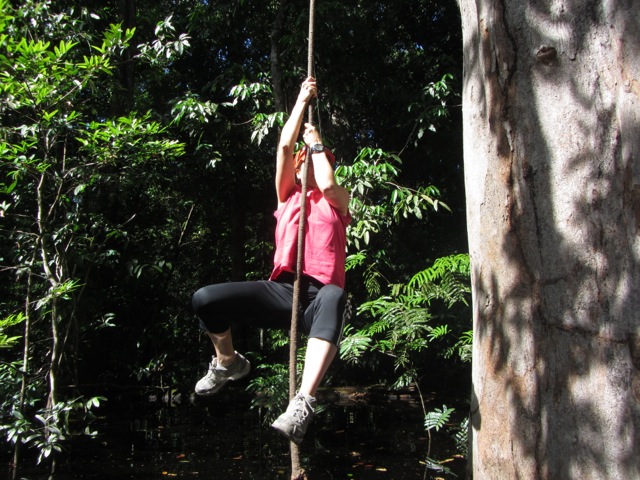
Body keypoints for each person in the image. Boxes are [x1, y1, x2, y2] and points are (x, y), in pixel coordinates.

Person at [191, 77, 351, 445]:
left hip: (320, 298)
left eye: (317, 162)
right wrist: (301, 100)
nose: (307, 166)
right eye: (302, 162)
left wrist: (317, 144)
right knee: (205, 299)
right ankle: (228, 362)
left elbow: (328, 185)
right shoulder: (287, 197)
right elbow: (283, 146)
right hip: (282, 292)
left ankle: (303, 403)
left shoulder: (337, 204)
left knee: (335, 295)